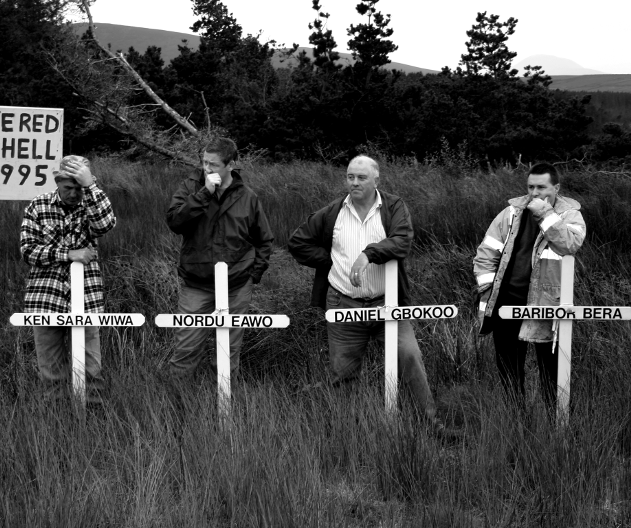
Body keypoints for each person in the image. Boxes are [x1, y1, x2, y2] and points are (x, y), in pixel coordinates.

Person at [288, 155, 441, 427]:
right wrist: (329, 261)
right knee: (343, 373)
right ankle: (350, 433)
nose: (354, 182)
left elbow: (402, 241)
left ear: (376, 180)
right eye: (350, 177)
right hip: (343, 303)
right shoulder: (332, 212)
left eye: (361, 177)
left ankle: (430, 425)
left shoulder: (393, 207)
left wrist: (368, 254)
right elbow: (297, 242)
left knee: (409, 357)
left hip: (388, 304)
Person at [473, 162, 586, 412]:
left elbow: (569, 245)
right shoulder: (511, 213)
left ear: (556, 188)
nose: (535, 193)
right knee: (510, 372)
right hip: (506, 304)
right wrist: (489, 289)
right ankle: (517, 427)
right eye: (530, 187)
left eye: (542, 187)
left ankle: (558, 431)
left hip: (546, 306)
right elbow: (485, 254)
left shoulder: (570, 215)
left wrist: (545, 214)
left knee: (552, 374)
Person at [166, 137, 273, 381]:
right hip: (196, 284)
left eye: (213, 164)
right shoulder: (190, 187)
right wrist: (204, 194)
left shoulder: (248, 197)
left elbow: (264, 240)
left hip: (237, 285)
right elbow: (175, 222)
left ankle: (225, 412)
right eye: (204, 162)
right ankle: (176, 413)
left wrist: (252, 276)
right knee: (185, 351)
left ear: (231, 165)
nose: (206, 168)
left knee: (227, 355)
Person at [20, 155, 117, 404]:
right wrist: (68, 254)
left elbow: (105, 225)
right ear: (57, 181)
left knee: (92, 370)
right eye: (68, 188)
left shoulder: (91, 203)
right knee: (51, 371)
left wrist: (91, 187)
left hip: (86, 298)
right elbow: (28, 251)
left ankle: (94, 423)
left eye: (78, 188)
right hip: (46, 299)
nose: (74, 194)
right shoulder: (38, 206)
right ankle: (57, 424)